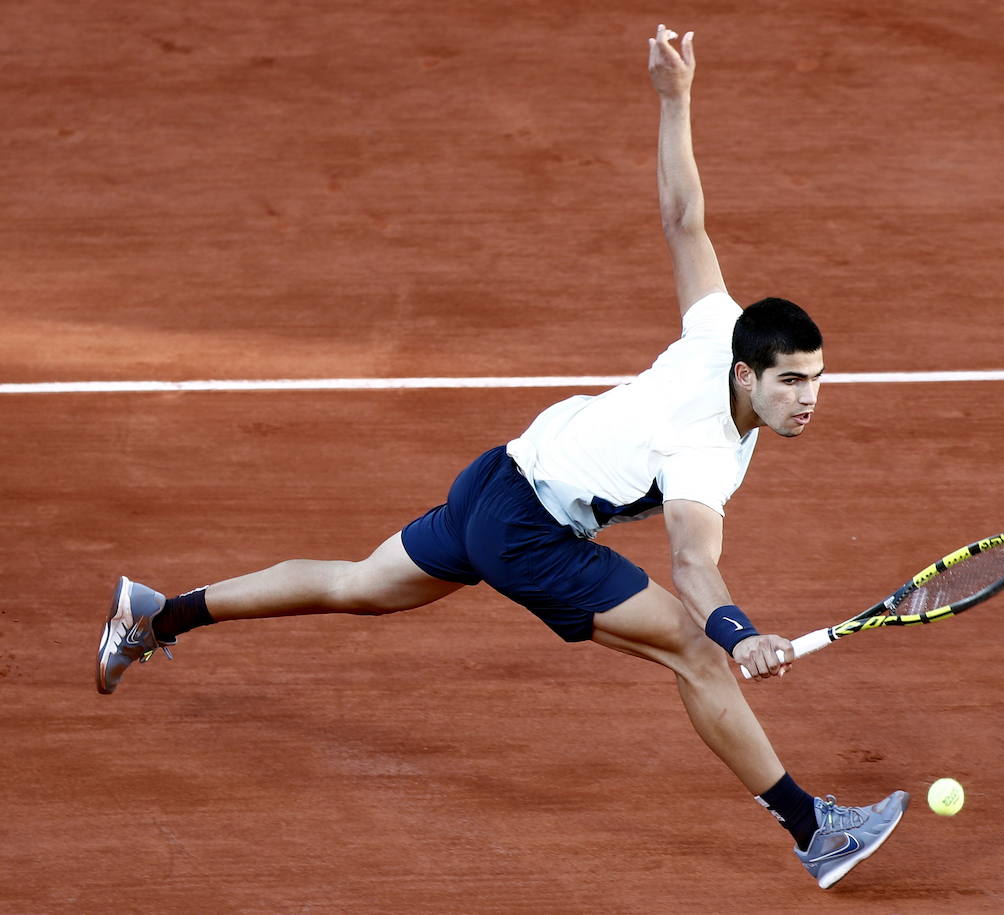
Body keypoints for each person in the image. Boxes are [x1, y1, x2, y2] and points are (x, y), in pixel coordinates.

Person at [96, 23, 907, 890]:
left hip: (496, 477)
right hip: (528, 530)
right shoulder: (703, 448)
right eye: (790, 382)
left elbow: (683, 220)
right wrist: (738, 634)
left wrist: (675, 100)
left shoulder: (720, 329)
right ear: (748, 374)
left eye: (817, 379)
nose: (807, 398)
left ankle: (157, 614)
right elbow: (691, 561)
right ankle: (813, 827)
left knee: (357, 586)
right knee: (696, 652)